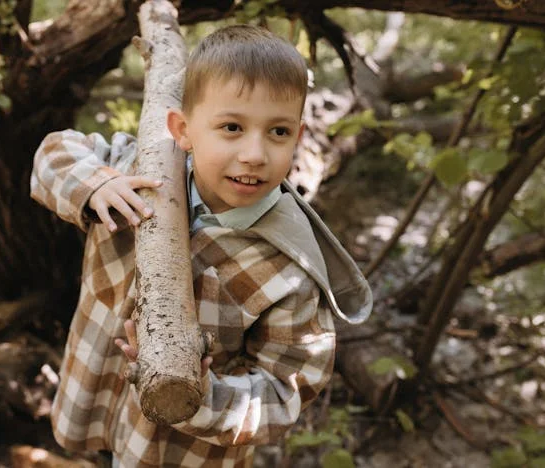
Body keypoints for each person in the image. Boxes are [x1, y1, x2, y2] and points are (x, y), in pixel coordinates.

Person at [30, 24, 372, 468]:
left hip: (179, 449)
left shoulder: (287, 270)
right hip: (96, 386)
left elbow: (288, 386)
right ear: (183, 129)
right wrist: (94, 187)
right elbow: (55, 151)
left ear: (299, 137)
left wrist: (201, 396)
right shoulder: (143, 170)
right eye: (232, 126)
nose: (254, 153)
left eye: (278, 132)